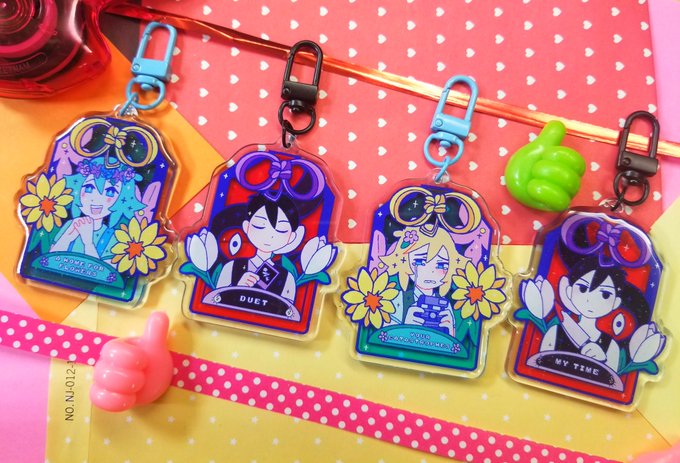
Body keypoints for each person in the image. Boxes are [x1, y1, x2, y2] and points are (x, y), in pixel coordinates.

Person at [540, 255, 648, 372]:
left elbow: (612, 379)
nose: (590, 299)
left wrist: (602, 362)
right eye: (582, 289)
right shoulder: (555, 332)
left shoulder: (610, 346)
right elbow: (539, 363)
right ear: (569, 291)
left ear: (616, 303)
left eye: (605, 295)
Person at [215, 193, 305, 302]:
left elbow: (289, 308)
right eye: (259, 226)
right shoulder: (231, 267)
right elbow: (215, 299)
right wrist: (237, 288)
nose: (269, 235)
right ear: (247, 227)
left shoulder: (286, 278)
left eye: (281, 230)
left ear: (291, 237)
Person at [379, 226, 467, 337]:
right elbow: (383, 336)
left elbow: (453, 345)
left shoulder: (445, 305)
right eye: (420, 262)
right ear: (405, 262)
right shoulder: (398, 300)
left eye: (441, 265)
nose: (431, 271)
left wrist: (449, 332)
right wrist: (405, 326)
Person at [50, 157, 144, 260]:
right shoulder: (70, 225)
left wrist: (88, 243)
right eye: (89, 188)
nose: (96, 199)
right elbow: (47, 261)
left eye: (110, 192)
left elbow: (108, 270)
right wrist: (66, 238)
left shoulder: (113, 238)